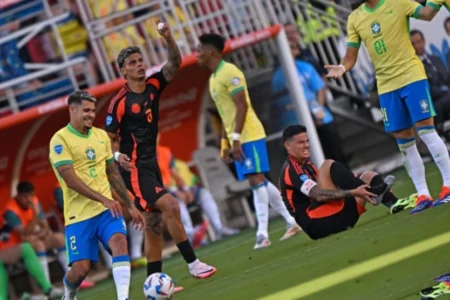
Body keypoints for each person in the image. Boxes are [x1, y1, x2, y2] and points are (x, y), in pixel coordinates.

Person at [105, 21, 216, 282]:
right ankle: (193, 263)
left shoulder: (154, 85)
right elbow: (108, 139)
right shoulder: (118, 103)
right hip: (133, 168)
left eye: (140, 60)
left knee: (153, 225)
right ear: (123, 71)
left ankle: (153, 280)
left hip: (151, 163)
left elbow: (174, 63)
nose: (139, 65)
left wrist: (168, 37)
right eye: (132, 63)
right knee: (171, 205)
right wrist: (115, 155)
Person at [325, 0, 450, 214]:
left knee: (427, 131)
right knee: (405, 143)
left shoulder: (398, 2)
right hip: (386, 86)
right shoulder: (355, 18)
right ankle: (423, 194)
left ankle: (448, 186)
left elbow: (427, 14)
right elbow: (350, 56)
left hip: (411, 77)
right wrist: (341, 67)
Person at [196, 33, 302, 250]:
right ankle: (292, 221)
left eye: (199, 50)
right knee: (259, 180)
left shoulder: (230, 72)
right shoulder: (213, 79)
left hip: (249, 134)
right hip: (238, 137)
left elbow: (242, 105)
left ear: (211, 52)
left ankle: (262, 233)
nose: (196, 54)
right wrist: (226, 144)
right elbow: (225, 114)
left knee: (255, 181)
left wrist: (235, 140)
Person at [49, 90, 145, 300]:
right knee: (80, 271)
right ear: (72, 109)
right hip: (78, 216)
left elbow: (112, 172)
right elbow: (70, 180)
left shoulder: (101, 136)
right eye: (85, 110)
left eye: (92, 111)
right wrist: (104, 198)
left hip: (106, 211)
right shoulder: (60, 140)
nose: (90, 115)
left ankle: (123, 298)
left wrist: (130, 204)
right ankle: (68, 293)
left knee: (120, 241)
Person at [278, 125, 406, 239]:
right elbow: (319, 195)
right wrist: (354, 191)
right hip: (317, 224)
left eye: (307, 141)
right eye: (301, 142)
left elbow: (328, 188)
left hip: (334, 216)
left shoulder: (308, 165)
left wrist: (354, 183)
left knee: (368, 176)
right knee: (327, 165)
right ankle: (374, 192)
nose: (306, 145)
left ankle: (394, 204)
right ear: (288, 145)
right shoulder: (291, 170)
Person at [3, 181, 95, 290]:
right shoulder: (10, 210)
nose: (29, 199)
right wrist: (35, 215)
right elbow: (23, 233)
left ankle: (74, 279)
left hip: (35, 238)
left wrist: (39, 233)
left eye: (31, 195)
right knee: (39, 245)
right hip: (16, 246)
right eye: (25, 196)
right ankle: (47, 288)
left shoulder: (34, 201)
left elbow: (45, 226)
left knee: (59, 238)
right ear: (18, 196)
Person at [0, 220, 64, 300]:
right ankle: (2, 297)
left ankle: (48, 289)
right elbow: (23, 232)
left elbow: (42, 227)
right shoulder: (10, 213)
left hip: (17, 248)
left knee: (27, 247)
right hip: (6, 253)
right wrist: (34, 218)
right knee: (26, 247)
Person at [410, 29, 450, 141]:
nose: (418, 45)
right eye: (413, 43)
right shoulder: (413, 67)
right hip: (434, 103)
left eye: (419, 41)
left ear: (424, 41)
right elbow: (427, 89)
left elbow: (446, 78)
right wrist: (446, 92)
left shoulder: (435, 59)